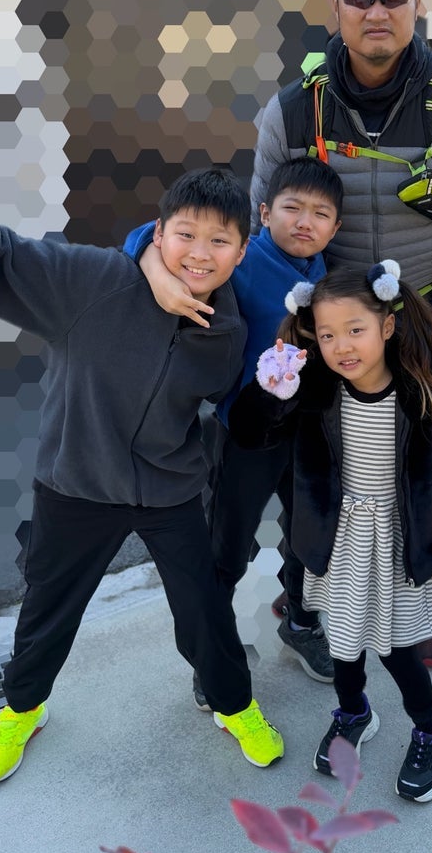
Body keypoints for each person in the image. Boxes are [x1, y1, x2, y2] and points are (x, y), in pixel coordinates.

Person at [0, 170, 284, 782]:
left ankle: (233, 706)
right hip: (76, 482)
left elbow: (229, 406)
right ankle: (22, 711)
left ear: (241, 249)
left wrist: (276, 390)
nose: (200, 254)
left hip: (170, 488)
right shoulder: (92, 281)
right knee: (47, 609)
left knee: (205, 609)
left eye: (220, 241)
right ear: (159, 232)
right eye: (186, 234)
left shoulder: (228, 328)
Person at [250, 0, 432, 666]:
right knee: (314, 474)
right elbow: (257, 228)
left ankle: (420, 603)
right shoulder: (291, 112)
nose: (377, 10)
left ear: (418, 1)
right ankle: (307, 597)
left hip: (427, 325)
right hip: (325, 330)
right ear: (333, 3)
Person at [227, 262, 432, 802]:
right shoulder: (312, 390)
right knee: (342, 642)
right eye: (328, 334)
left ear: (386, 326)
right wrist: (269, 392)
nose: (342, 346)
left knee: (397, 649)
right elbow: (249, 434)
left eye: (355, 329)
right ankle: (353, 712)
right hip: (336, 540)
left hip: (399, 544)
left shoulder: (427, 395)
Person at [126, 157, 344, 692]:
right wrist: (157, 273)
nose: (305, 223)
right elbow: (143, 235)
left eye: (320, 214)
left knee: (313, 532)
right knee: (227, 544)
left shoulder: (327, 273)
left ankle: (302, 622)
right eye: (292, 208)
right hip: (248, 433)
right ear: (264, 214)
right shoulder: (244, 259)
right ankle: (212, 653)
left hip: (310, 431)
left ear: (336, 227)